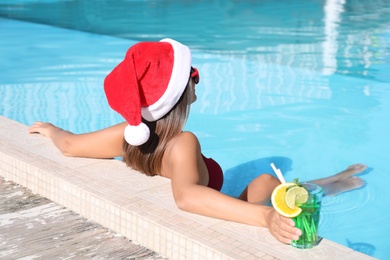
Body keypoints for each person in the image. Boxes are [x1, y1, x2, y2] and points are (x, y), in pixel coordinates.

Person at [28, 38, 367, 244]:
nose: (196, 81)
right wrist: (265, 219)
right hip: (226, 205)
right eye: (191, 76)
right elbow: (188, 197)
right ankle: (329, 185)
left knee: (272, 181)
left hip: (211, 196)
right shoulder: (183, 142)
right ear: (177, 96)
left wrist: (52, 130)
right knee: (267, 180)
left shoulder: (127, 134)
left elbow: (71, 146)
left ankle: (329, 181)